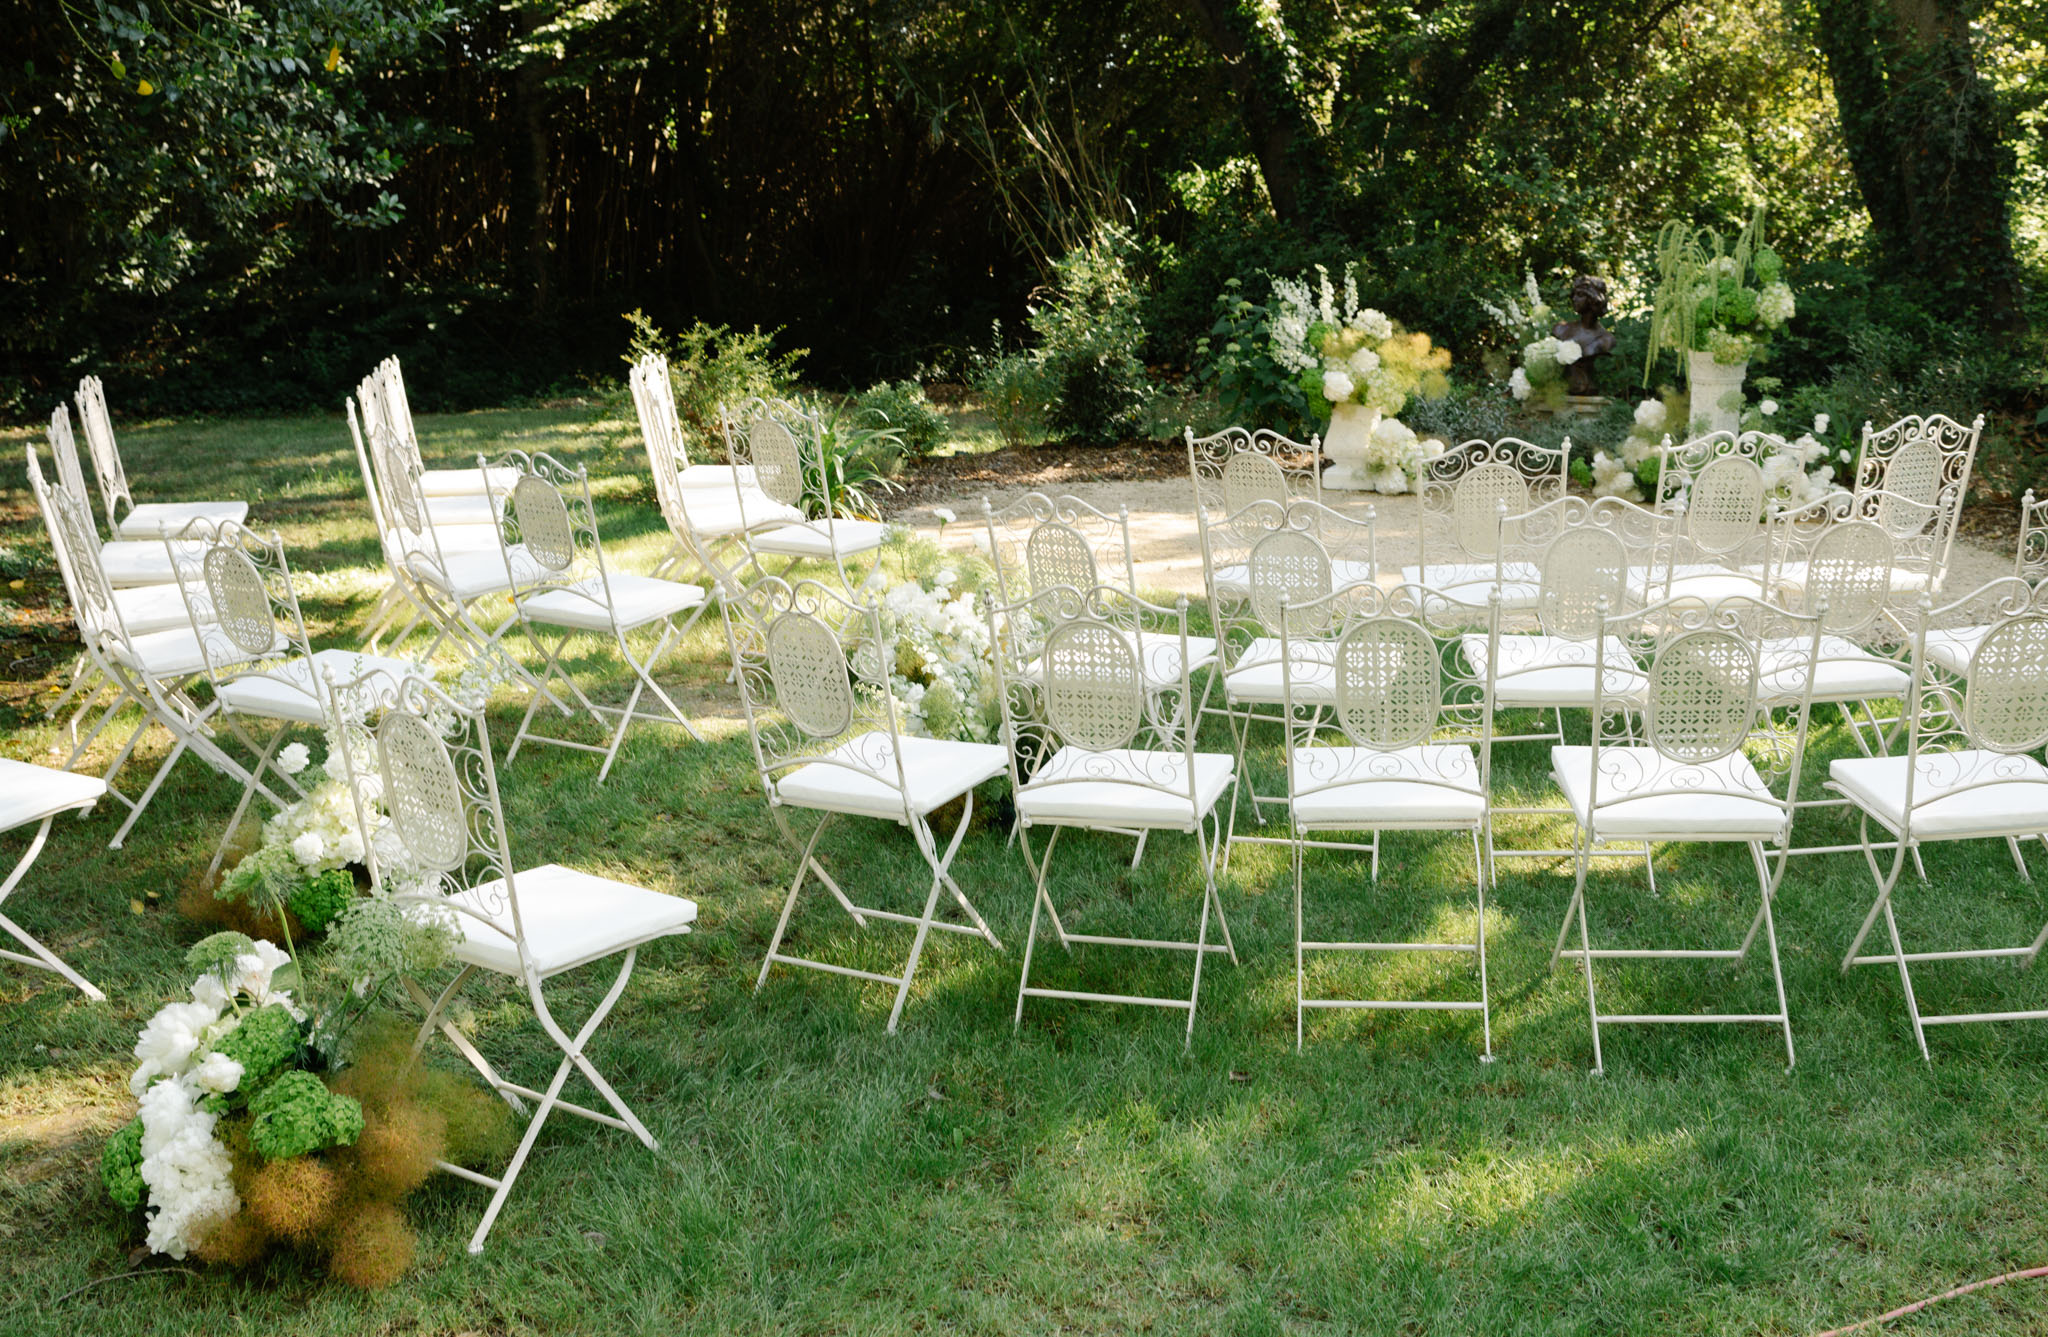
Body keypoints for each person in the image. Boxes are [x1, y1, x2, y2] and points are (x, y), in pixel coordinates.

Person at [1552, 274, 1617, 396]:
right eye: (1574, 294)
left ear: (1594, 299)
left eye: (1580, 295)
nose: (1574, 299)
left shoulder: (1606, 340)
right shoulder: (1561, 329)